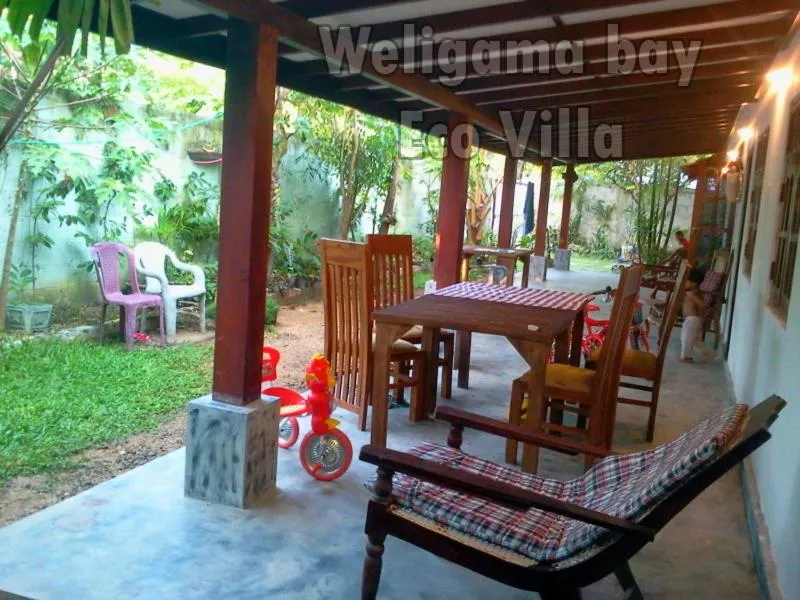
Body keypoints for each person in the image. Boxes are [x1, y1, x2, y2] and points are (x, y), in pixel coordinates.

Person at [680, 267, 713, 362]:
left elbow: (702, 305)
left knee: (687, 339)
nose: (684, 283)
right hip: (689, 319)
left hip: (693, 320)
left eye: (687, 281)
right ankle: (708, 352)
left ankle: (686, 357)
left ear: (694, 283)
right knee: (692, 340)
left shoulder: (693, 294)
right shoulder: (688, 292)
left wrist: (701, 312)